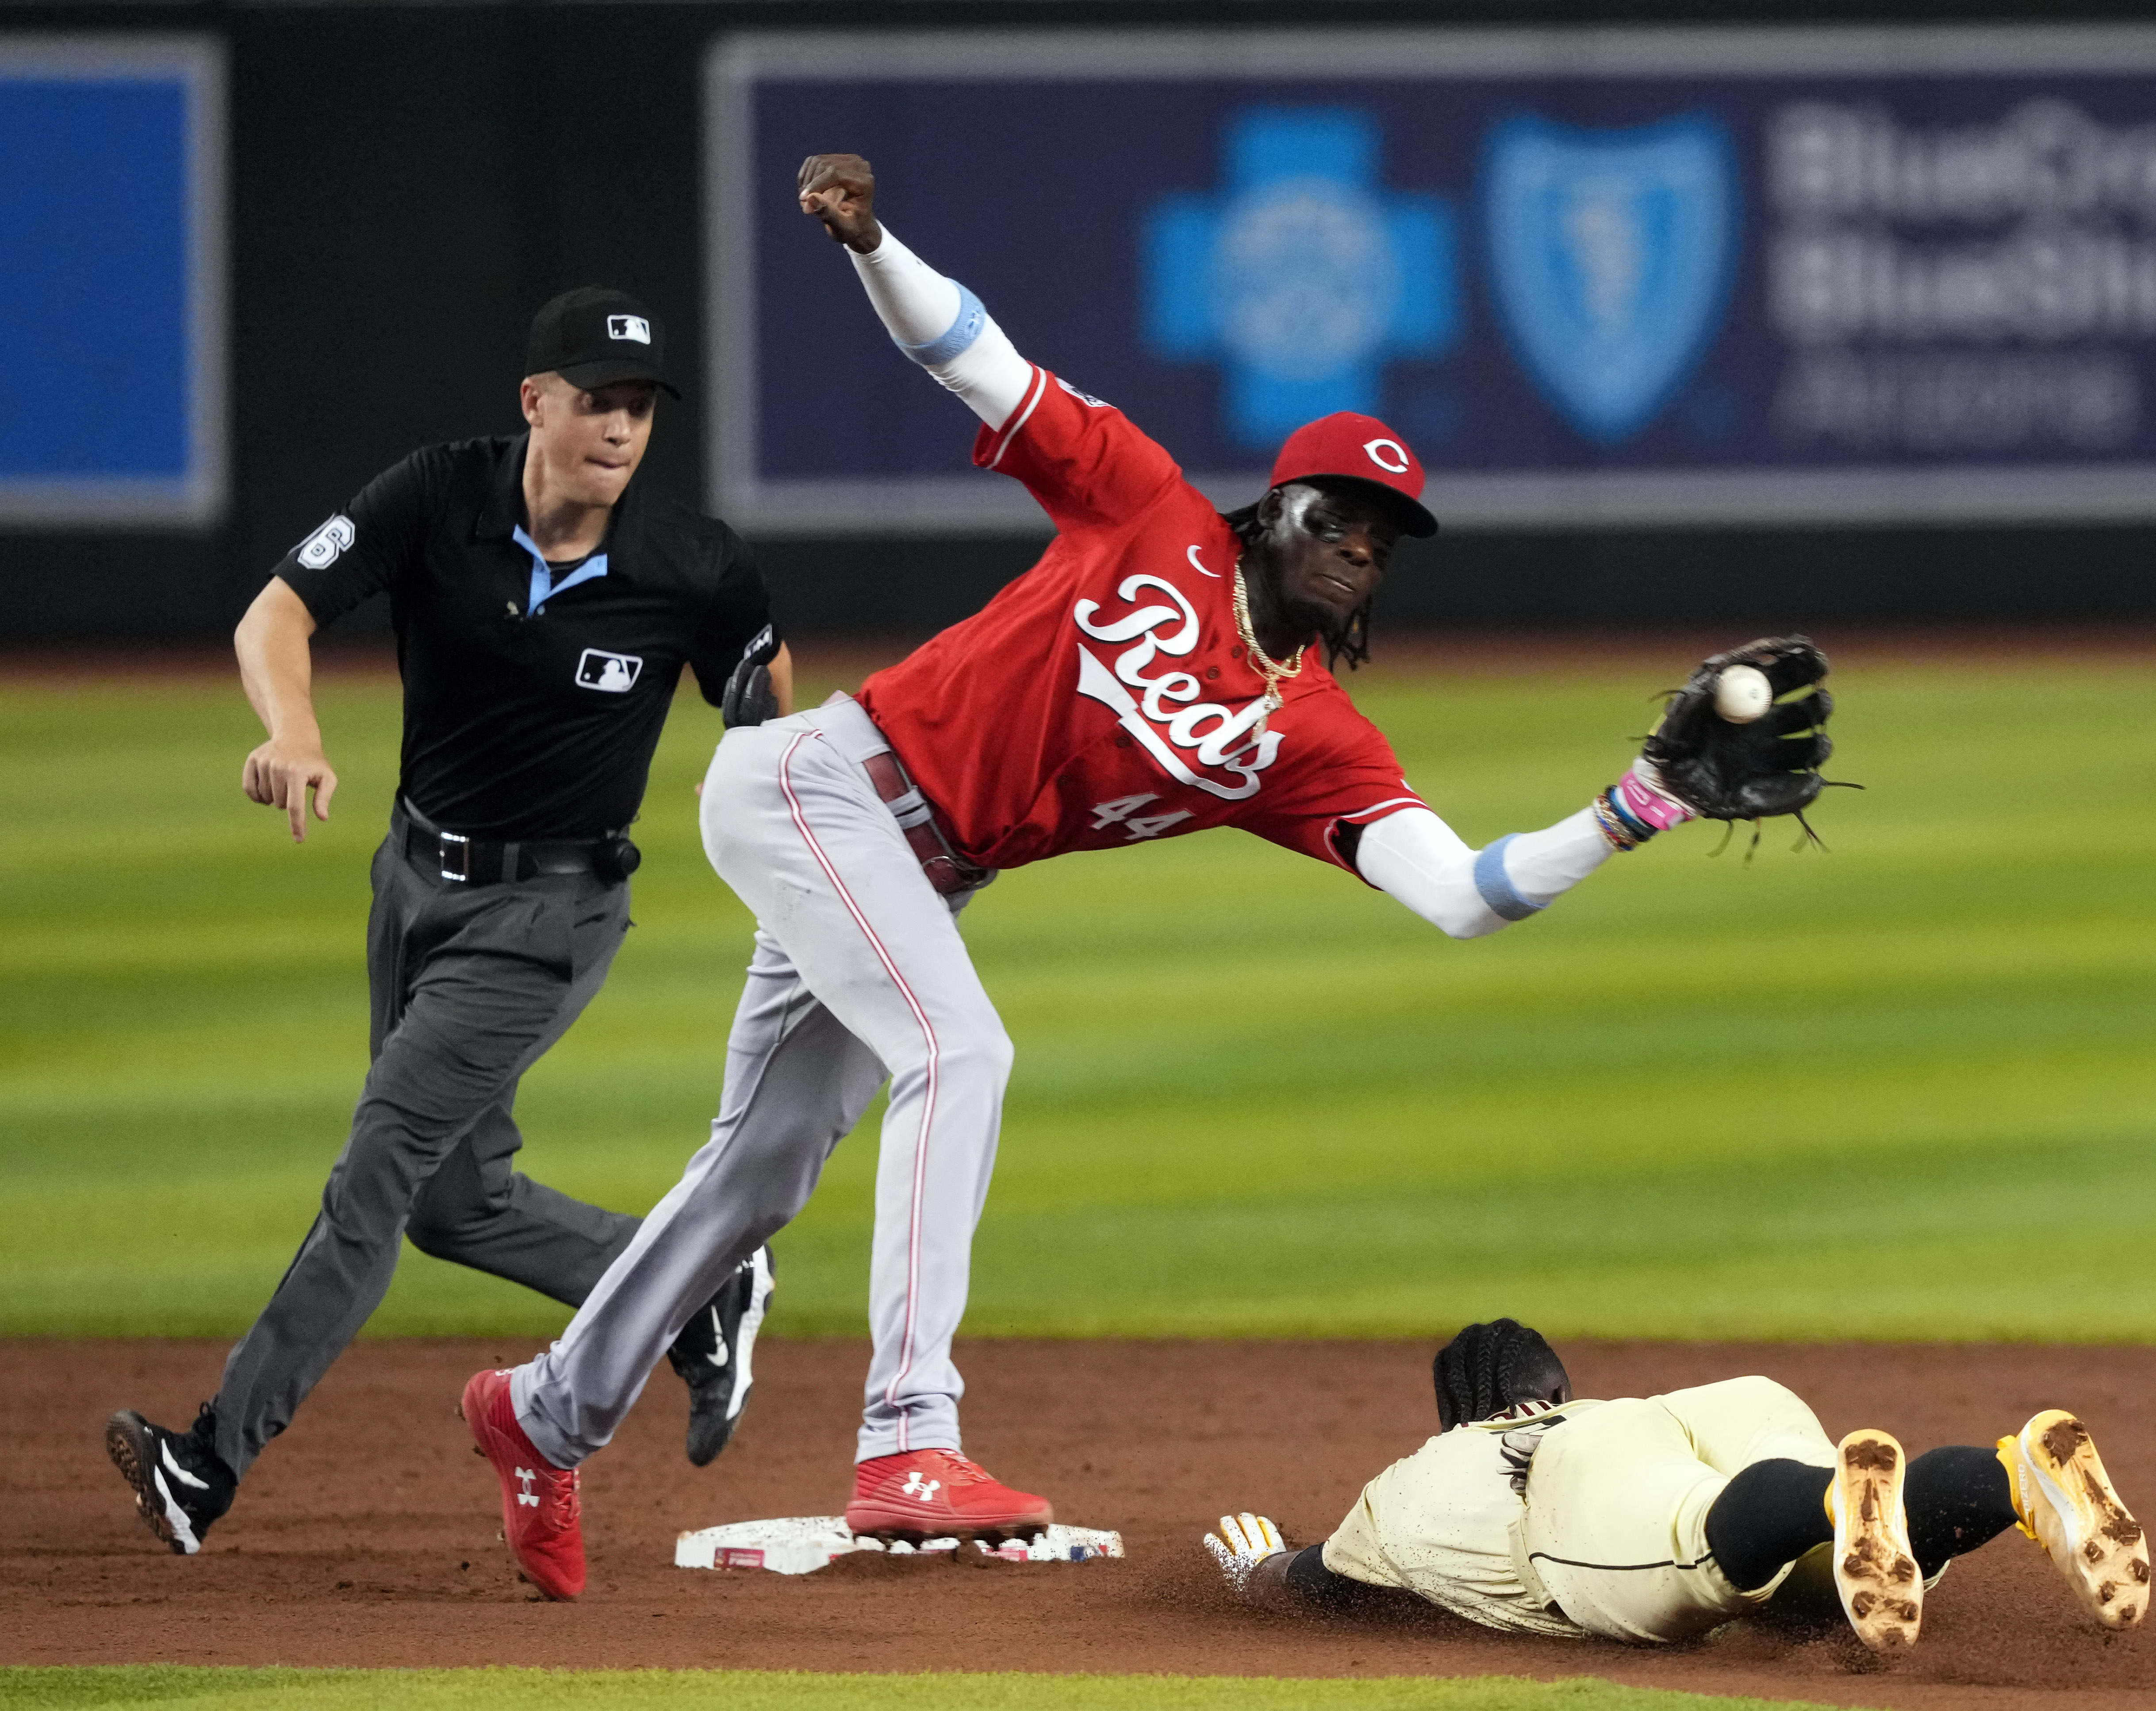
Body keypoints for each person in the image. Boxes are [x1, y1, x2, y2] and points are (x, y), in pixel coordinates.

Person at [456, 155, 1833, 1602]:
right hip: (821, 786)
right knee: (959, 1045)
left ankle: (541, 1413)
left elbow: (1464, 888)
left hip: (917, 871)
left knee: (761, 1167)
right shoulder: (1143, 505)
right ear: (1274, 507)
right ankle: (908, 1434)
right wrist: (874, 241)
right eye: (1337, 513)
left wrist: (1639, 802)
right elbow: (968, 355)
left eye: (1384, 536)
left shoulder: (1312, 732)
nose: (1360, 544)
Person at [106, 288, 790, 1558]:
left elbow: (761, 683)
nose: (621, 426)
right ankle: (696, 1288)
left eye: (640, 406)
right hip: (413, 882)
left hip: (551, 913)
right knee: (454, 1205)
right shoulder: (438, 494)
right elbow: (277, 612)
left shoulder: (692, 563)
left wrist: (751, 765)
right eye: (597, 399)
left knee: (378, 1173)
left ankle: (213, 1457)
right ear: (535, 402)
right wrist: (294, 729)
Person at [1200, 1319, 2154, 1654]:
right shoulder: (1598, 1404)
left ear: (1457, 1409)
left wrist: (1259, 1565)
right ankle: (2009, 1478)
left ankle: (1831, 1500)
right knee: (1826, 1573)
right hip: (1719, 1407)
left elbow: (1314, 1582)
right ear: (1552, 1388)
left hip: (1584, 1484)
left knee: (1698, 1535)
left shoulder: (1419, 1474)